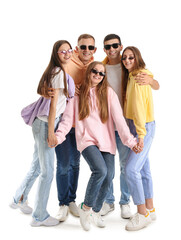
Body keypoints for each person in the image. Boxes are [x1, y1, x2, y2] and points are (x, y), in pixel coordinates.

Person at [48, 61, 140, 231]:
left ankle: (96, 211)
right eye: (95, 72)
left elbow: (119, 120)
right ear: (89, 72)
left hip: (106, 140)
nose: (98, 75)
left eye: (101, 73)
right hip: (86, 140)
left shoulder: (109, 93)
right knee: (100, 170)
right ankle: (86, 208)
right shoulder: (77, 95)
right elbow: (67, 121)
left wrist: (131, 142)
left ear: (104, 76)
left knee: (109, 175)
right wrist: (58, 137)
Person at [9, 40, 75, 227]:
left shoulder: (56, 71)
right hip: (47, 123)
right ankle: (39, 216)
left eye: (69, 50)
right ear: (56, 53)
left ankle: (18, 198)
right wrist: (52, 133)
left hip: (43, 123)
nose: (67, 53)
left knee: (37, 167)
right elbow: (54, 104)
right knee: (47, 172)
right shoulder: (59, 73)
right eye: (63, 51)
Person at [101, 34, 160, 218]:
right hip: (109, 124)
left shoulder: (136, 72)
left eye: (115, 45)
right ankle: (109, 201)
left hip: (131, 125)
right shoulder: (100, 68)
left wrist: (151, 81)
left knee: (128, 167)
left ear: (120, 46)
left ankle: (127, 202)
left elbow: (153, 86)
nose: (112, 49)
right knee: (109, 166)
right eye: (108, 46)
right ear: (104, 49)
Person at [52, 34, 97, 221]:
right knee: (63, 165)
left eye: (90, 47)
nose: (86, 50)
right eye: (82, 47)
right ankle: (62, 203)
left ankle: (71, 200)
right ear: (76, 49)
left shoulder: (96, 67)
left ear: (94, 50)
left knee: (75, 164)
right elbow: (52, 81)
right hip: (63, 122)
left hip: (82, 126)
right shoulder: (66, 63)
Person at [121, 46, 156, 231]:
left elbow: (140, 108)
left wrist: (140, 135)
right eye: (125, 58)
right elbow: (155, 83)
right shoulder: (135, 74)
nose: (127, 60)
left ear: (137, 58)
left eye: (131, 57)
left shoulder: (139, 76)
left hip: (141, 126)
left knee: (130, 169)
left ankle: (142, 214)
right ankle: (150, 209)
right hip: (137, 125)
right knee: (143, 169)